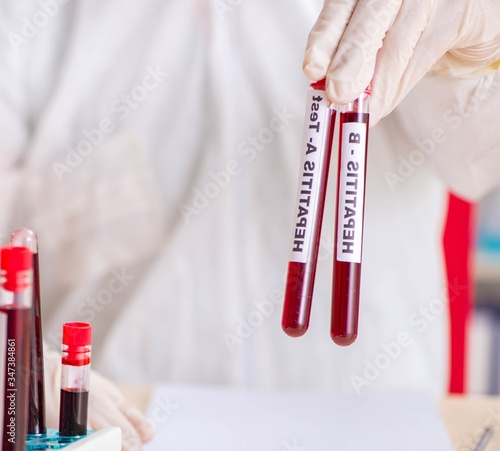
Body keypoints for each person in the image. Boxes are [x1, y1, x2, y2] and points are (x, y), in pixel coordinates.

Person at [0, 0, 499, 449]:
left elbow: (477, 165)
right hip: (117, 428)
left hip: (376, 420)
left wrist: (485, 43)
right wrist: (12, 364)